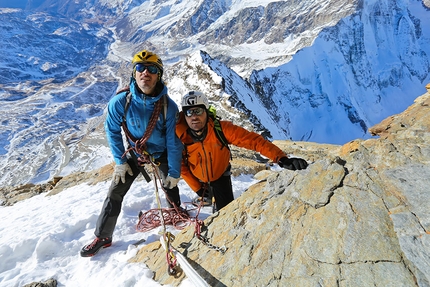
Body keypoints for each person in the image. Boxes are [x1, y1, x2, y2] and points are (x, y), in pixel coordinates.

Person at [80, 50, 183, 257]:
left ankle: (177, 214)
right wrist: (120, 161)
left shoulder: (168, 107)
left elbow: (173, 141)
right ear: (134, 74)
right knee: (115, 190)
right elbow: (111, 130)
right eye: (140, 68)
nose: (146, 72)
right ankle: (103, 236)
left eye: (152, 69)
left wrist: (173, 171)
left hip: (160, 151)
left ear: (158, 75)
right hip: (136, 152)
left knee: (169, 185)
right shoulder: (120, 102)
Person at [176, 91, 308, 212]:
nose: (194, 117)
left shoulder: (221, 130)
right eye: (189, 112)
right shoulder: (180, 137)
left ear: (206, 111)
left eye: (198, 111)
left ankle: (211, 199)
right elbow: (180, 165)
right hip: (199, 178)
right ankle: (206, 197)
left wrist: (281, 158)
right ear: (184, 116)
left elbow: (254, 141)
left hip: (220, 176)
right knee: (211, 200)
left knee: (225, 214)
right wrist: (197, 188)